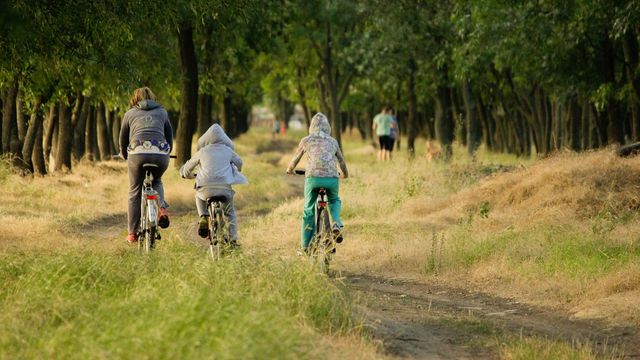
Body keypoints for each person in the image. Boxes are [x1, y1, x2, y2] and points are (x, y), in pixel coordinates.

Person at [286, 112, 349, 254]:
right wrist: (345, 174)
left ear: (311, 127)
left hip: (312, 179)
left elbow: (295, 159)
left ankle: (305, 247)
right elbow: (342, 161)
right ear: (328, 127)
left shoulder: (306, 140)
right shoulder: (333, 141)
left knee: (308, 209)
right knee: (334, 200)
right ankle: (336, 223)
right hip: (332, 179)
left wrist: (290, 170)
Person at [119, 87, 172, 244]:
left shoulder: (129, 114)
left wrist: (124, 154)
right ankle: (161, 208)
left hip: (137, 153)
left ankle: (132, 233)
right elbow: (169, 137)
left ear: (135, 99)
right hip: (160, 153)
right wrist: (167, 152)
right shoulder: (163, 112)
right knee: (157, 181)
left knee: (134, 190)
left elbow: (123, 140)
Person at [180, 124, 248, 244]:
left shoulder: (202, 151)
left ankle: (203, 217)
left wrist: (186, 175)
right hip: (224, 188)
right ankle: (233, 239)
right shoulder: (228, 150)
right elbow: (240, 164)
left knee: (199, 196)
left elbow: (186, 169)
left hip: (205, 189)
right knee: (230, 212)